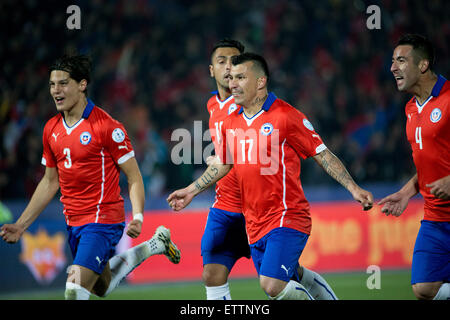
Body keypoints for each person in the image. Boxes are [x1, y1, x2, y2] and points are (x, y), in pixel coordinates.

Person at [168, 52, 373, 300]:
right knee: (289, 276)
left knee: (271, 285)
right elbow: (223, 164)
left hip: (286, 215)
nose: (233, 83)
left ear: (261, 82)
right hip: (254, 222)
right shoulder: (233, 122)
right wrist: (190, 190)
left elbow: (322, 154)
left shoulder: (286, 116)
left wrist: (353, 188)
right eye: (232, 77)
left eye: (241, 77)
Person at [0, 54, 180, 300]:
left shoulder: (107, 127)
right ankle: (156, 244)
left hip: (102, 219)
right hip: (74, 221)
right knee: (101, 286)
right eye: (52, 84)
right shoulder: (51, 128)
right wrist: (21, 225)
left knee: (74, 291)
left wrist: (137, 216)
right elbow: (50, 181)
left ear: (82, 85)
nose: (56, 90)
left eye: (63, 83)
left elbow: (135, 177)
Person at [379, 34, 449, 300]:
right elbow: (430, 162)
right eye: (392, 61)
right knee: (424, 288)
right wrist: (408, 191)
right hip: (435, 218)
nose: (392, 68)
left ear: (422, 65)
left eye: (400, 60)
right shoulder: (410, 109)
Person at [201, 38, 251, 300]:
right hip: (225, 206)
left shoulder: (250, 103)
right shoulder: (212, 105)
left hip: (257, 207)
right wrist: (220, 158)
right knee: (212, 274)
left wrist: (224, 159)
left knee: (281, 281)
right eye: (222, 62)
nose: (229, 67)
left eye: (235, 61)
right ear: (212, 70)